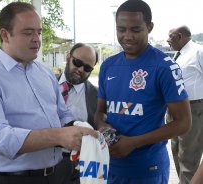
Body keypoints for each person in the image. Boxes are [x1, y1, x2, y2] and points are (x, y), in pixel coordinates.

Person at [0, 2, 97, 184]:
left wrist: (78, 127)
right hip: (15, 179)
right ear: (5, 34)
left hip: (59, 174)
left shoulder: (44, 72)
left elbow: (62, 114)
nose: (37, 39)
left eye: (39, 32)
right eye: (28, 32)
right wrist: (59, 136)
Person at [94, 0, 192, 183]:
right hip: (110, 166)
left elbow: (184, 122)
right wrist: (104, 128)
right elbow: (100, 112)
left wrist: (133, 143)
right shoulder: (108, 66)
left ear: (150, 27)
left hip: (148, 169)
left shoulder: (165, 67)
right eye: (121, 29)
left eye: (135, 30)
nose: (127, 36)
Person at [54, 43, 99, 184]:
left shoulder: (97, 96)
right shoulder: (45, 83)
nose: (80, 69)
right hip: (43, 163)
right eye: (77, 62)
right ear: (68, 57)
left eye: (87, 68)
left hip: (77, 167)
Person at [166, 25, 203, 184]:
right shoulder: (178, 55)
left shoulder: (198, 52)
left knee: (189, 155)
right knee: (176, 150)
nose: (167, 40)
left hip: (193, 108)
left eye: (170, 36)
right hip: (174, 110)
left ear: (179, 36)